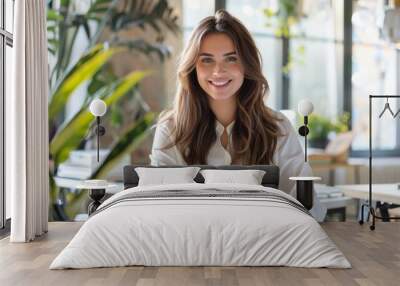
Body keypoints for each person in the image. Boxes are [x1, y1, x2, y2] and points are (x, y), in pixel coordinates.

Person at [149, 10, 326, 221]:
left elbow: (305, 205)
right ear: (192, 68)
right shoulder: (170, 128)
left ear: (247, 64)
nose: (218, 71)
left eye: (231, 58)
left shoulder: (278, 127)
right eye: (206, 60)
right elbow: (158, 205)